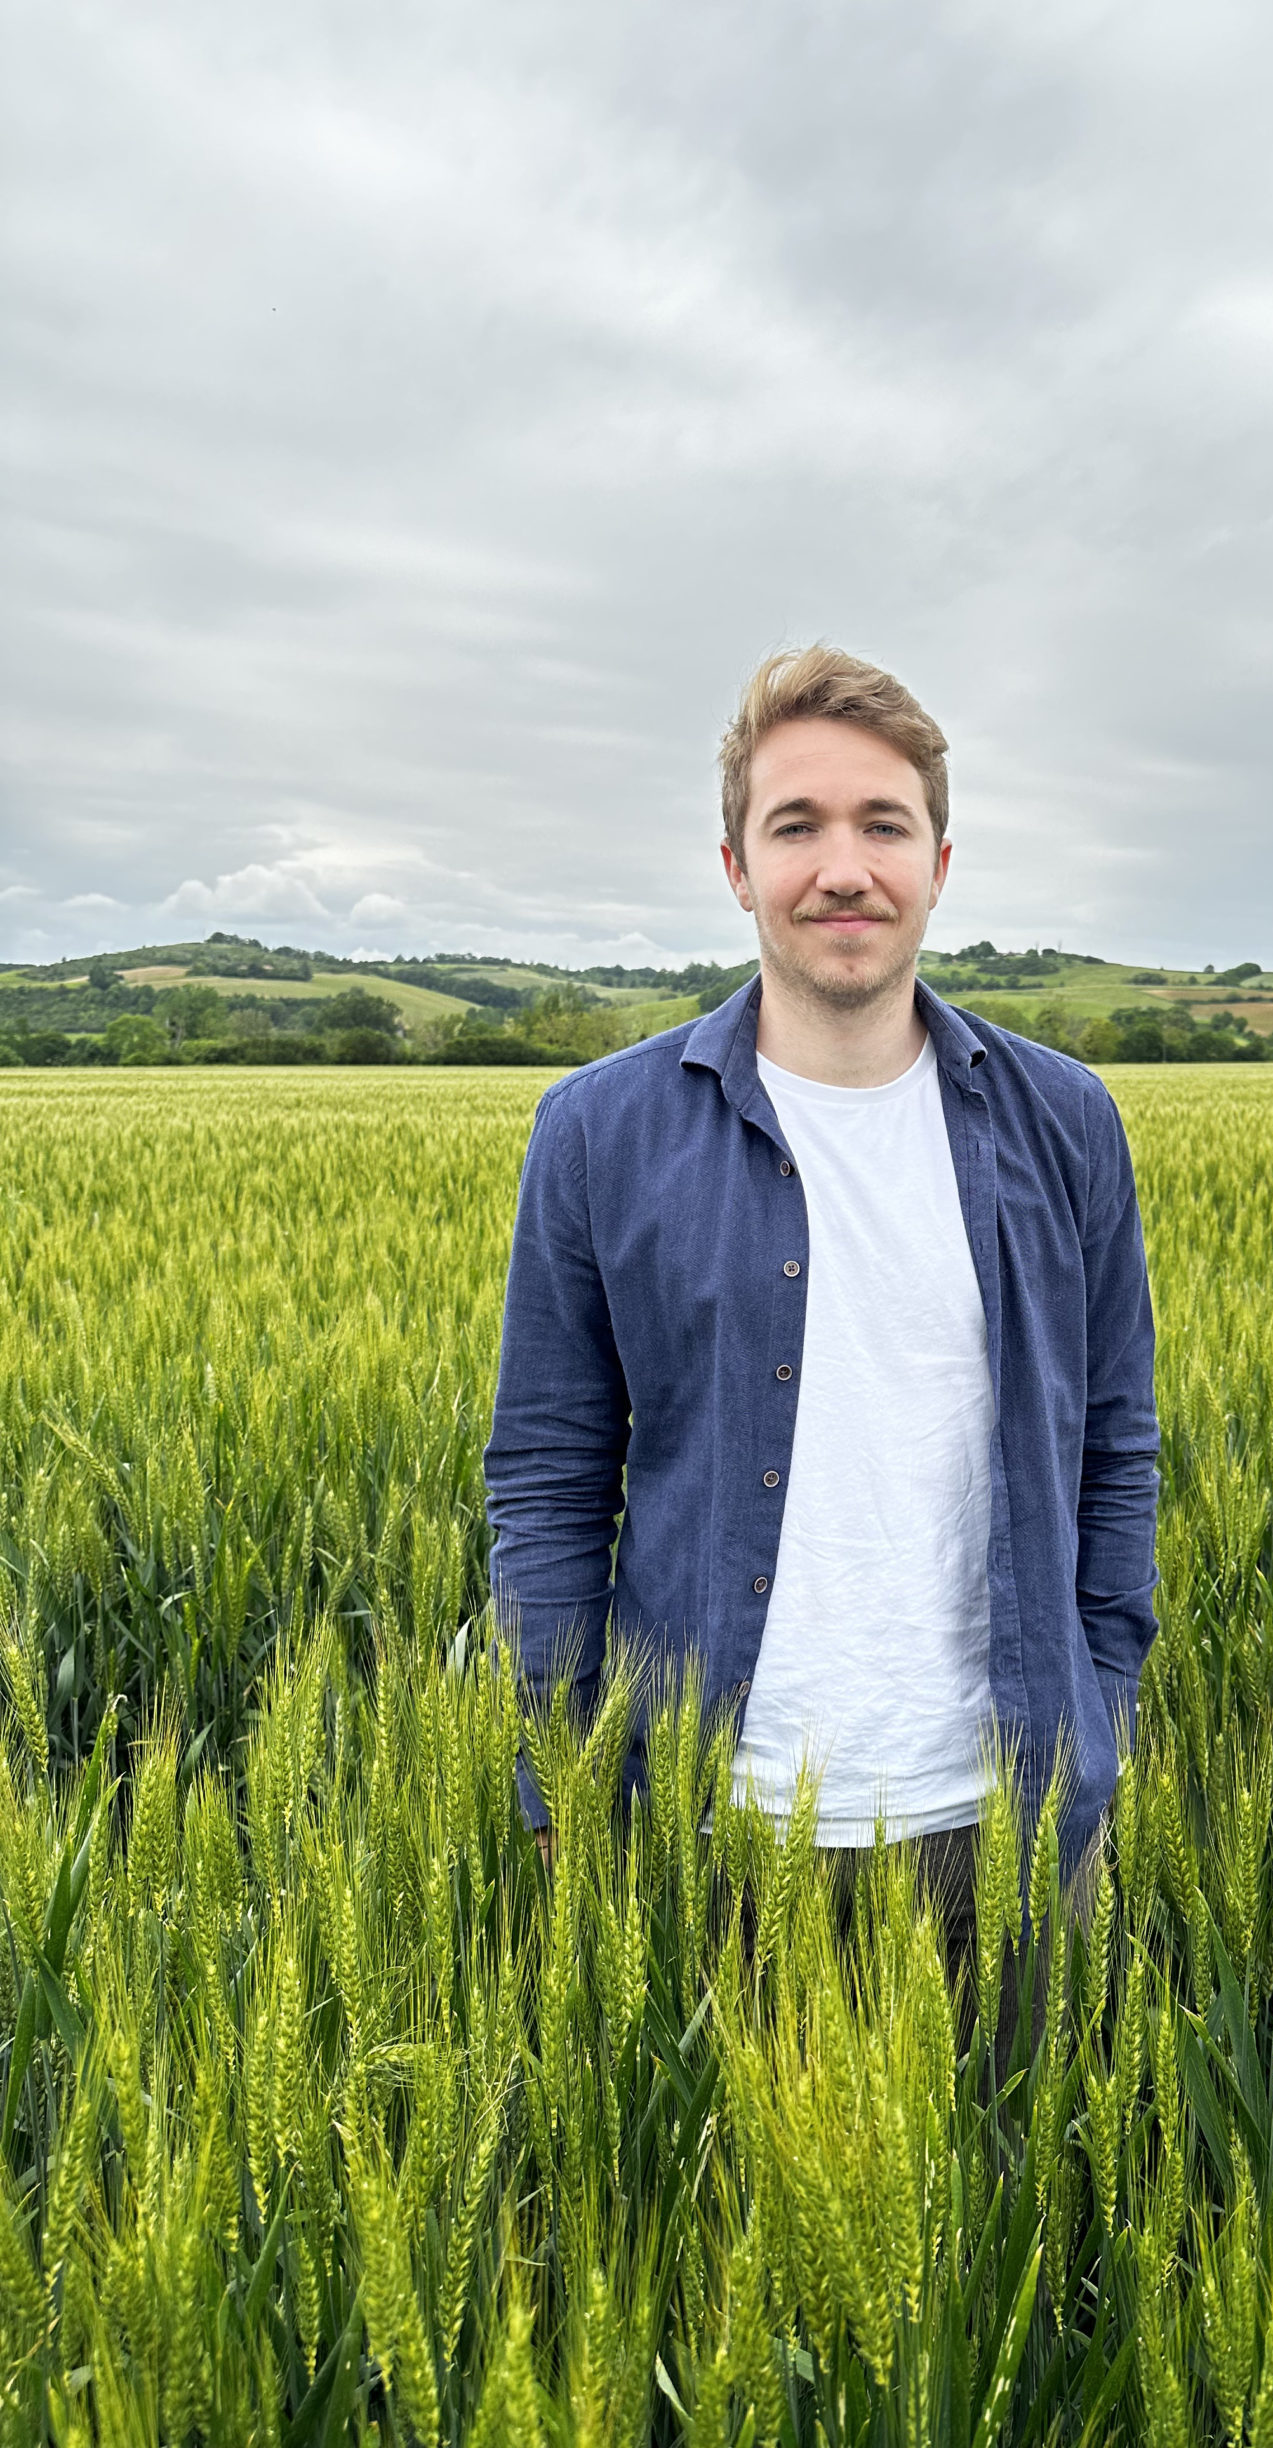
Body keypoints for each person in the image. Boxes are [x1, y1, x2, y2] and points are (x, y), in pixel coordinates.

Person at [483, 644, 1160, 1995]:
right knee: (711, 2204)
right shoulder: (598, 1134)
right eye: (796, 825)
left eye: (882, 825)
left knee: (1023, 2198)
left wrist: (1097, 1716)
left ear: (941, 863)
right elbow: (549, 1478)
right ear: (736, 865)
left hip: (1012, 1825)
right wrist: (559, 1783)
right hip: (706, 1825)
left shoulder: (1066, 1124)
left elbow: (1116, 1449)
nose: (842, 867)